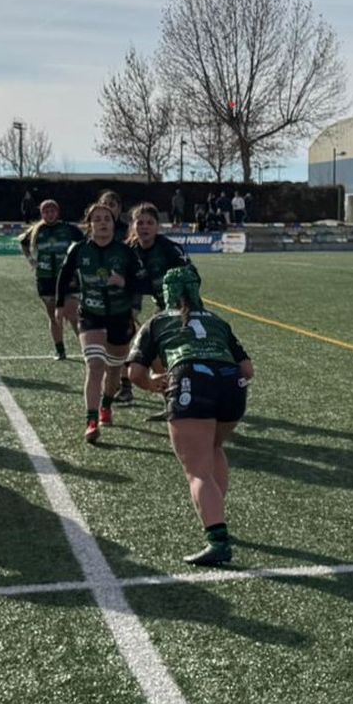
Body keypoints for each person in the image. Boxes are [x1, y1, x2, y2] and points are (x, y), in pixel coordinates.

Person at [127, 267, 252, 566]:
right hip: (231, 383)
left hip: (189, 377)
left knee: (197, 470)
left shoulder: (157, 321)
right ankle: (216, 514)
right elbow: (248, 370)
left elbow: (134, 372)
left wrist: (152, 383)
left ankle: (217, 540)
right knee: (214, 448)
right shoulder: (217, 321)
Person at [55, 201, 147, 443]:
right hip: (90, 315)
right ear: (90, 224)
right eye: (97, 219)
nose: (103, 223)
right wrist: (59, 306)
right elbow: (63, 277)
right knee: (95, 365)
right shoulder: (78, 250)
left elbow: (142, 283)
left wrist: (124, 283)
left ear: (113, 223)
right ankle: (91, 421)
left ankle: (107, 404)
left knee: (114, 373)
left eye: (107, 218)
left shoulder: (126, 252)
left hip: (119, 317)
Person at [124, 202, 192, 415]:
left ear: (157, 226)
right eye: (140, 222)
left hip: (181, 309)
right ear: (133, 226)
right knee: (155, 357)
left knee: (178, 358)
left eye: (150, 223)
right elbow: (133, 285)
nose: (144, 227)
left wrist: (185, 310)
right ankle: (172, 400)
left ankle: (186, 401)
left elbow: (191, 278)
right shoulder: (130, 251)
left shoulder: (169, 249)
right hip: (160, 309)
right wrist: (131, 310)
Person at [19, 199, 80, 359]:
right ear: (41, 214)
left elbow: (83, 244)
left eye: (52, 211)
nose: (49, 214)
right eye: (46, 212)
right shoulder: (36, 230)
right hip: (46, 278)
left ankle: (87, 348)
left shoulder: (68, 229)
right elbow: (23, 243)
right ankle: (60, 350)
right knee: (53, 316)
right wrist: (31, 260)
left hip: (67, 277)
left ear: (57, 212)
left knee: (73, 313)